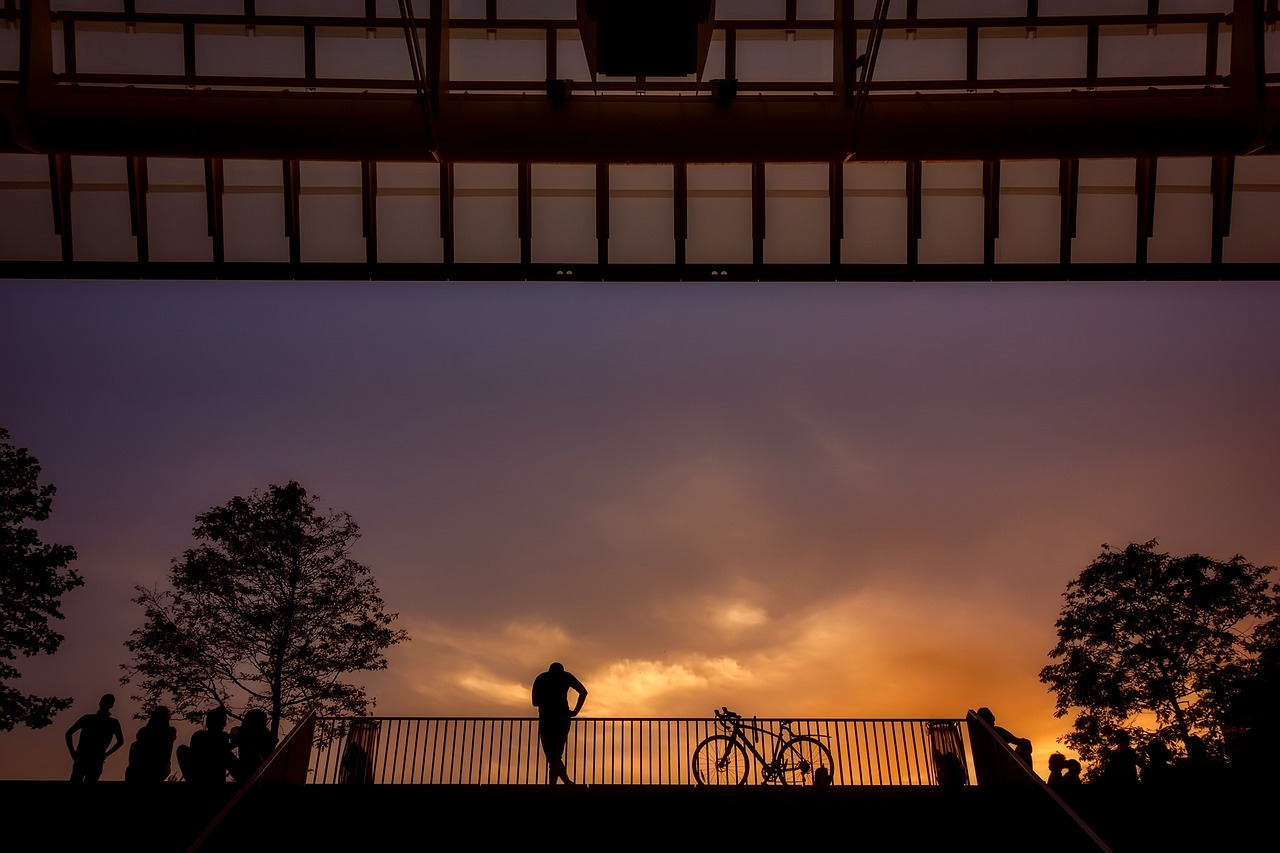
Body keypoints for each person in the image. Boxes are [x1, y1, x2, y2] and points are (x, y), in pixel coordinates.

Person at [532, 662, 588, 785]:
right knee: (555, 755)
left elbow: (535, 702)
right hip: (562, 718)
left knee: (553, 756)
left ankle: (555, 785)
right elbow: (583, 692)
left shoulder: (542, 678)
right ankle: (566, 782)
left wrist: (547, 702)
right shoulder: (565, 677)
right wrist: (574, 712)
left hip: (548, 719)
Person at [65, 694, 125, 782]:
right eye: (105, 701)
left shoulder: (112, 722)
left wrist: (105, 755)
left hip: (93, 759)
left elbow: (120, 741)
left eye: (108, 702)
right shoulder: (89, 718)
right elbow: (68, 734)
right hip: (86, 758)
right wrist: (73, 753)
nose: (106, 704)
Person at [177, 707, 232, 784]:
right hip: (211, 777)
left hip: (202, 776)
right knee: (182, 749)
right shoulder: (222, 737)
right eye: (224, 721)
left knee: (181, 749)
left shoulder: (198, 735)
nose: (224, 724)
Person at [125, 706, 177, 783]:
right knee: (135, 745)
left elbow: (144, 738)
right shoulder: (149, 731)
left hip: (159, 767)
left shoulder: (169, 732)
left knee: (135, 746)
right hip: (144, 766)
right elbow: (140, 736)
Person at [229, 709, 277, 782]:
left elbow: (229, 747)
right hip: (264, 773)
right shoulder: (266, 736)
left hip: (248, 772)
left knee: (223, 753)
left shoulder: (245, 733)